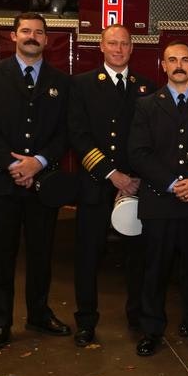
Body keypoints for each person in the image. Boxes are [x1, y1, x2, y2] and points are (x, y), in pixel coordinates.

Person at [0, 12, 72, 349]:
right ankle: (0, 323)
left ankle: (39, 314)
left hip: (42, 184)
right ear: (12, 36)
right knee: (0, 256)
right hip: (2, 183)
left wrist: (38, 162)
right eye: (25, 31)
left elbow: (65, 132)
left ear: (46, 39)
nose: (32, 36)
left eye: (39, 32)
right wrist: (13, 165)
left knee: (41, 254)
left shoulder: (61, 81)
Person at [128, 41, 188, 357]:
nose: (179, 65)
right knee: (154, 270)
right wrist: (172, 183)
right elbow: (138, 153)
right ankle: (151, 330)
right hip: (160, 202)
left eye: (185, 59)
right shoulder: (146, 105)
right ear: (164, 65)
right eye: (173, 60)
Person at [68, 24, 154, 345]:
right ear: (101, 47)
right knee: (88, 256)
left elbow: (151, 137)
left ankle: (138, 319)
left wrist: (136, 178)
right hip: (97, 183)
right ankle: (86, 321)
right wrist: (111, 174)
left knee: (137, 259)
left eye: (124, 44)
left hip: (135, 186)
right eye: (112, 43)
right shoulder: (82, 85)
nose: (118, 49)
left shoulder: (145, 87)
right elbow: (78, 135)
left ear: (132, 49)